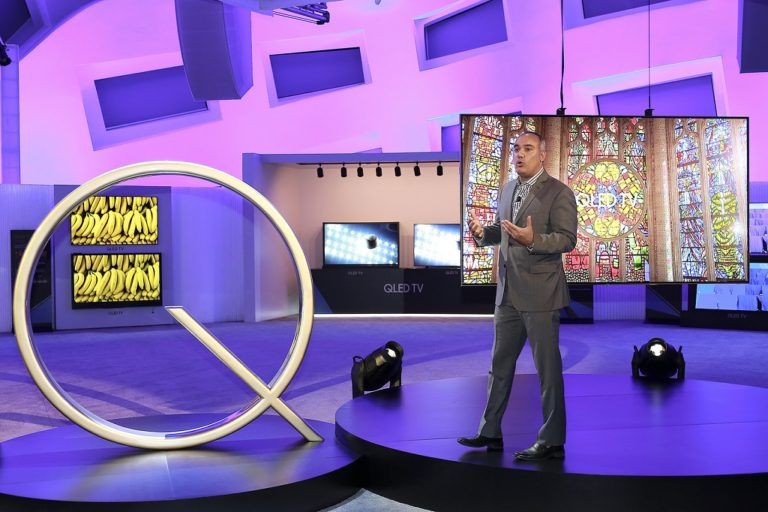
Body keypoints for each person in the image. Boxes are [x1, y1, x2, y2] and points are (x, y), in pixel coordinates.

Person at [458, 131, 577, 461]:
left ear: (542, 154)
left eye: (528, 148)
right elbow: (504, 230)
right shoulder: (508, 188)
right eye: (516, 149)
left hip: (541, 294)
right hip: (507, 293)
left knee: (547, 372)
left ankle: (552, 440)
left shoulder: (559, 192)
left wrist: (533, 240)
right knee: (499, 366)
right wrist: (484, 235)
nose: (519, 154)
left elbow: (567, 239)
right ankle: (490, 431)